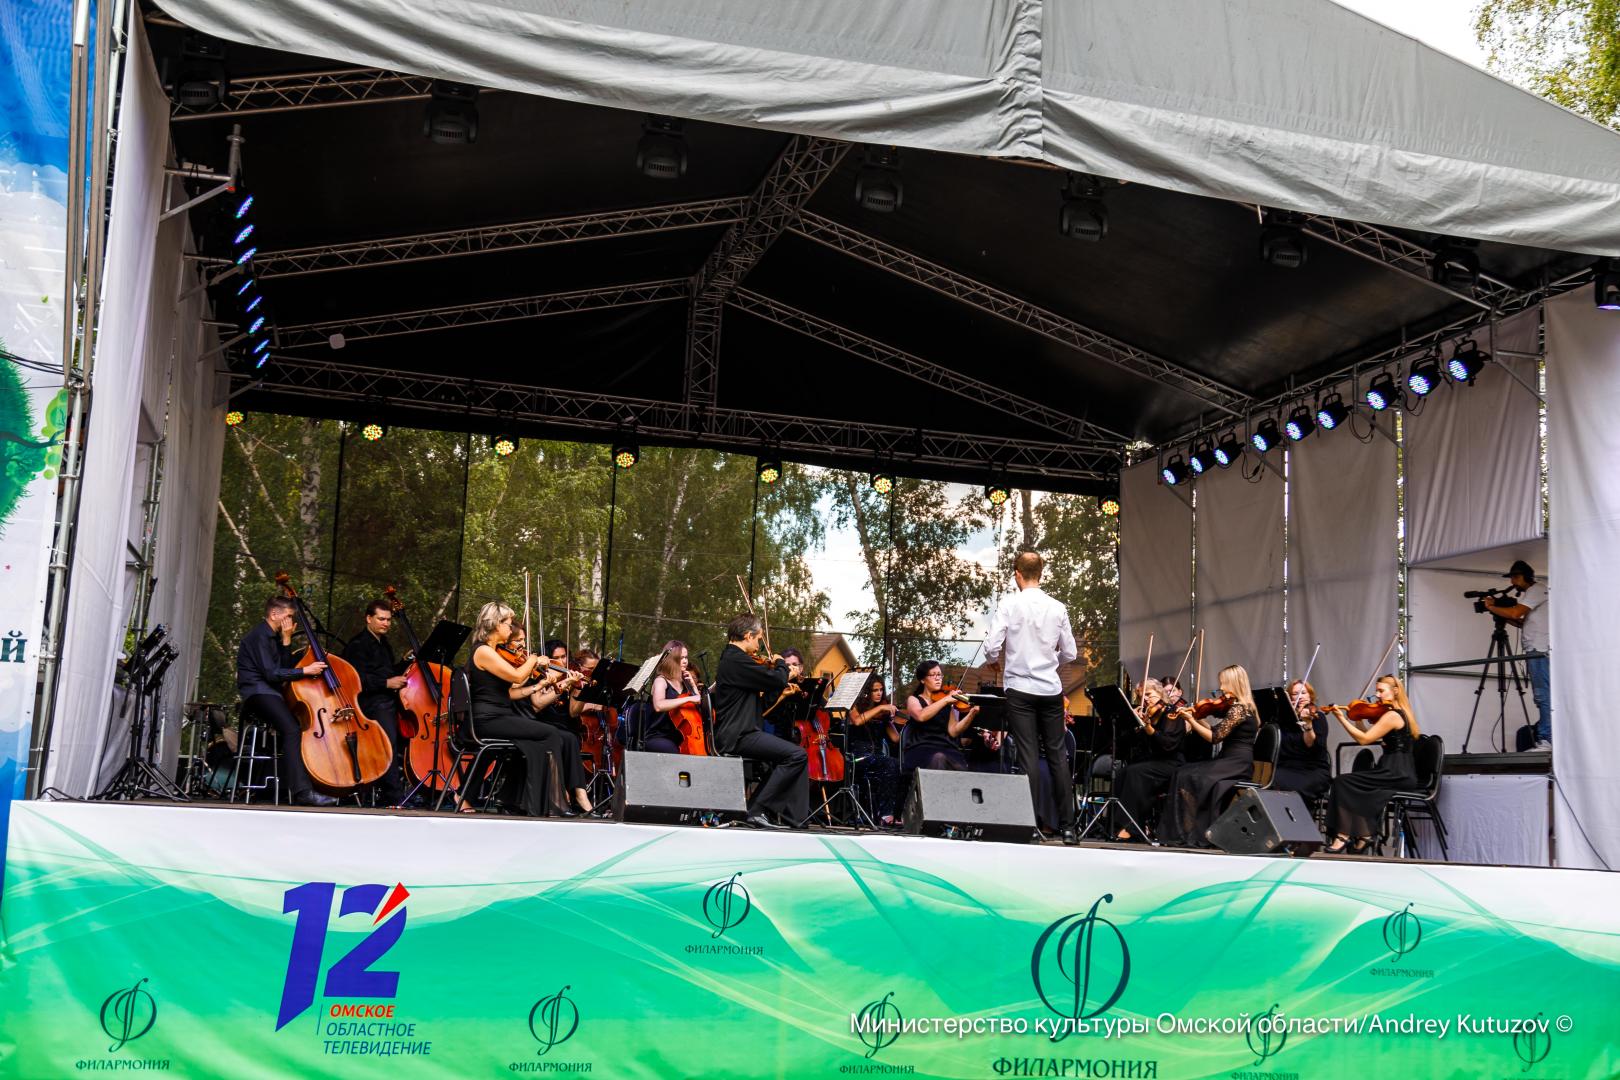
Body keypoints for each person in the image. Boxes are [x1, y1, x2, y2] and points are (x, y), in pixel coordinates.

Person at [983, 549, 1080, 843]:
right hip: (1050, 689)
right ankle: (1068, 828)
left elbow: (992, 646)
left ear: (1017, 574)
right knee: (1057, 756)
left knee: (1027, 756)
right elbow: (1070, 652)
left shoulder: (1009, 604)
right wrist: (1049, 664)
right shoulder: (1058, 607)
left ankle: (1030, 826)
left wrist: (993, 660)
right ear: (1041, 573)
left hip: (1020, 689)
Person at [461, 602, 574, 817]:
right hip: (487, 719)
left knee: (534, 741)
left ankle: (518, 800)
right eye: (508, 623)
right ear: (496, 624)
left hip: (498, 715)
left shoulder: (493, 652)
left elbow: (510, 692)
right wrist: (533, 659)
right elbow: (517, 675)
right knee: (550, 733)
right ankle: (553, 802)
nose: (510, 628)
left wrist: (538, 685)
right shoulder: (483, 651)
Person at [236, 596, 338, 807]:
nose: (291, 621)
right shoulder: (259, 636)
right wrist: (305, 671)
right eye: (289, 616)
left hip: (271, 693)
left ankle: (311, 784)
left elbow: (284, 668)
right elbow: (272, 674)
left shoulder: (273, 637)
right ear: (274, 614)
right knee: (292, 729)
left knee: (299, 727)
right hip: (258, 693)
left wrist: (286, 639)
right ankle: (302, 792)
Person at [711, 613, 809, 829]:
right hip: (738, 735)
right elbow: (776, 678)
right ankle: (758, 811)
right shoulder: (736, 660)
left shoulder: (735, 660)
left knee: (792, 756)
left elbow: (762, 701)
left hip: (744, 731)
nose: (759, 646)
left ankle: (794, 818)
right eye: (758, 639)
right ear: (748, 636)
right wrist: (781, 663)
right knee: (797, 755)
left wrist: (781, 690)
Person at [1158, 664, 1259, 847]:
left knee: (1192, 776)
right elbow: (1214, 730)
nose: (1221, 687)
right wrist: (1198, 717)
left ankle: (1196, 831)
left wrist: (1191, 720)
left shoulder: (1239, 709)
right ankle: (1191, 830)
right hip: (1230, 759)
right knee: (1183, 772)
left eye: (1223, 683)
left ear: (1234, 683)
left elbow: (1214, 738)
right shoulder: (1243, 707)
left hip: (1236, 762)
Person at [1323, 675, 1420, 854]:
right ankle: (1364, 834)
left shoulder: (1392, 715)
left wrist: (1341, 719)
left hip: (1395, 771)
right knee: (1351, 784)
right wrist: (1358, 719)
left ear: (1395, 691)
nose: (1377, 695)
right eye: (1377, 691)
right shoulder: (1399, 713)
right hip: (1398, 770)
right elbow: (1371, 737)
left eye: (1381, 691)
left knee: (1343, 782)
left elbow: (1364, 740)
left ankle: (1343, 835)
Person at [340, 599, 410, 807]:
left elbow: (386, 672)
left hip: (385, 700)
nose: (386, 623)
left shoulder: (383, 643)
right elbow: (354, 679)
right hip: (370, 703)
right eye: (381, 619)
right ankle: (394, 796)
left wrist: (405, 663)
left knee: (400, 741)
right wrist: (386, 683)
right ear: (368, 618)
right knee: (388, 744)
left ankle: (401, 790)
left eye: (388, 620)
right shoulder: (358, 645)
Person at [1481, 560, 1550, 750]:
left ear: (1525, 576)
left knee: (1542, 695)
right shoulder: (1534, 592)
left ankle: (1547, 739)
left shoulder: (1537, 589)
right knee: (1542, 694)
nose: (1512, 582)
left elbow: (1515, 614)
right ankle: (1546, 736)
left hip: (1539, 649)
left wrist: (1492, 607)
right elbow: (1520, 622)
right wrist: (1499, 613)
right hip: (1536, 649)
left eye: (1515, 577)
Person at [1114, 679, 1186, 841]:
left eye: (1148, 694)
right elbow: (1129, 745)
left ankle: (1131, 828)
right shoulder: (1147, 715)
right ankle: (1119, 824)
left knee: (1135, 772)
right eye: (1141, 697)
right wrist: (1134, 723)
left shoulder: (1172, 713)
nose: (1145, 699)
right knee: (1122, 773)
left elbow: (1168, 745)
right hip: (1152, 762)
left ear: (1160, 693)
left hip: (1172, 763)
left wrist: (1149, 728)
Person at [846, 676, 903, 825]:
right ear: (866, 692)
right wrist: (881, 708)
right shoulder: (855, 705)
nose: (879, 693)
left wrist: (911, 725)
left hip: (877, 757)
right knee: (890, 764)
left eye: (881, 690)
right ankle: (885, 814)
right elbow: (857, 721)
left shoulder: (883, 713)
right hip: (859, 756)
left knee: (898, 765)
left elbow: (896, 738)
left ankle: (894, 812)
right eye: (875, 690)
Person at [901, 661, 977, 772]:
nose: (938, 678)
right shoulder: (914, 699)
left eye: (939, 675)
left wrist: (971, 714)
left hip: (947, 747)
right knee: (939, 758)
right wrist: (945, 700)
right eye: (933, 675)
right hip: (921, 748)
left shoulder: (945, 701)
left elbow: (953, 731)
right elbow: (921, 716)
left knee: (961, 767)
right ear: (922, 680)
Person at [1274, 679, 1332, 801]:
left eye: (1304, 693)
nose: (1300, 696)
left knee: (1291, 787)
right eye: (1295, 694)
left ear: (1310, 696)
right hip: (1286, 767)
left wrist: (1308, 724)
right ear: (1289, 698)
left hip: (1312, 770)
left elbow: (1311, 745)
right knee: (1267, 782)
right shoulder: (1283, 721)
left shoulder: (1318, 717)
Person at [647, 640, 701, 754]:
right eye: (681, 658)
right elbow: (659, 705)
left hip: (681, 736)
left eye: (686, 657)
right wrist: (688, 698)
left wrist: (692, 685)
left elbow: (698, 703)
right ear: (671, 659)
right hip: (660, 736)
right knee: (675, 753)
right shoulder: (661, 680)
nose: (685, 661)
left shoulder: (685, 683)